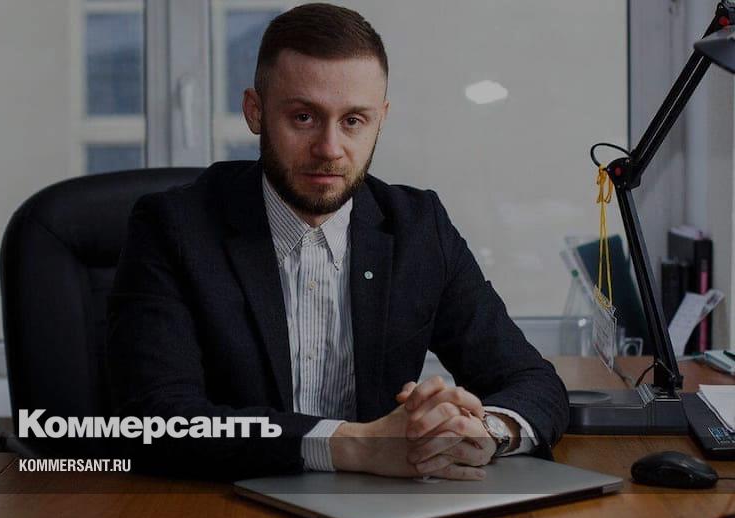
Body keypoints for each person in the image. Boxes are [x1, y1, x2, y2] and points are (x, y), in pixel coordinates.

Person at [106, 2, 568, 480]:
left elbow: (532, 382)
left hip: (382, 505)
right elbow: (156, 420)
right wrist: (356, 446)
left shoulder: (418, 228)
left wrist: (479, 433)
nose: (329, 149)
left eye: (353, 121)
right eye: (304, 117)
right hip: (226, 503)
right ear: (255, 111)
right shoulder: (173, 227)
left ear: (380, 119)